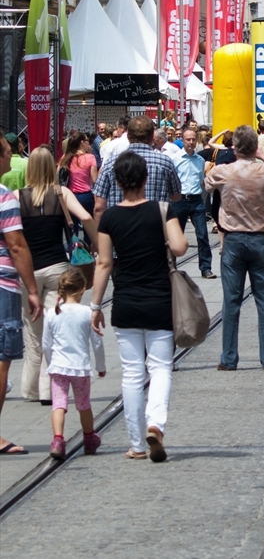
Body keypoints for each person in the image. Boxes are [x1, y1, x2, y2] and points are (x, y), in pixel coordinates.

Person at [92, 151, 187, 460]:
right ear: (146, 178)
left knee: (133, 374)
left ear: (117, 182)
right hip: (159, 299)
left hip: (126, 302)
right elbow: (179, 247)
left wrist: (95, 306)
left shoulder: (109, 218)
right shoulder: (162, 209)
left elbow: (104, 263)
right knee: (160, 368)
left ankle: (135, 444)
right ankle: (155, 424)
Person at [206, 125, 264, 370]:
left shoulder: (225, 171)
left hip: (232, 239)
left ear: (234, 148)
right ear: (254, 147)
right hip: (260, 239)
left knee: (231, 301)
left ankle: (229, 358)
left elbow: (207, 184)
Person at [16, 148, 96, 404]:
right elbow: (85, 216)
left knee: (32, 331)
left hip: (28, 272)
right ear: (52, 167)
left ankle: (29, 390)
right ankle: (47, 390)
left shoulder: (18, 197)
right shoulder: (62, 193)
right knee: (55, 329)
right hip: (57, 269)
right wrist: (96, 245)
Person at [0, 132, 41, 454]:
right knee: (1, 361)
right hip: (2, 286)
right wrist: (31, 289)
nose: (7, 157)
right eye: (4, 152)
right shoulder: (4, 196)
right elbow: (15, 244)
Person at [42, 267, 106, 459]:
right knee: (83, 404)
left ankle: (58, 440)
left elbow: (46, 343)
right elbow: (97, 343)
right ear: (82, 289)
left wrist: (50, 363)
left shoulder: (52, 313)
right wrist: (101, 366)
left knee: (59, 404)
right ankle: (89, 438)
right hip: (80, 368)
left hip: (58, 367)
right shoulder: (87, 312)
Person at [93, 116, 181, 222]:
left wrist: (100, 236)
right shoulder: (164, 162)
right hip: (153, 228)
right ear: (152, 136)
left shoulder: (111, 163)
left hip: (118, 228)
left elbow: (99, 207)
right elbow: (176, 196)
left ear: (128, 135)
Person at [170, 127, 215, 279]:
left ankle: (206, 268)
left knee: (202, 235)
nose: (190, 142)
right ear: (182, 141)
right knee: (176, 236)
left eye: (193, 139)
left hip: (196, 201)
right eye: (188, 139)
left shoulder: (200, 160)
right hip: (180, 200)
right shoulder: (175, 159)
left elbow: (202, 181)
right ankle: (172, 268)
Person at [59, 132, 99, 231]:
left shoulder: (66, 157)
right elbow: (94, 180)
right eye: (87, 141)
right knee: (89, 226)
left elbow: (58, 175)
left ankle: (73, 245)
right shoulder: (90, 157)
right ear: (82, 142)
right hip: (86, 195)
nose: (88, 144)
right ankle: (88, 245)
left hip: (70, 196)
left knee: (72, 227)